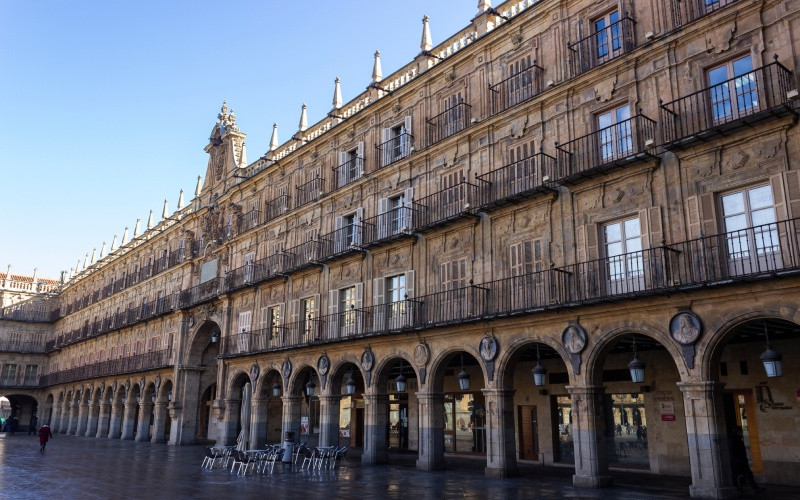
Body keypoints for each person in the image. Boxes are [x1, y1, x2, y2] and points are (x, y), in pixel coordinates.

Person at [730, 426, 765, 493]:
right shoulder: (736, 441)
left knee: (744, 474)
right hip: (739, 461)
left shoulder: (736, 440)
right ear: (738, 432)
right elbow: (737, 452)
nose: (742, 432)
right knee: (738, 475)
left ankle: (753, 488)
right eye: (741, 431)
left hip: (738, 461)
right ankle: (738, 488)